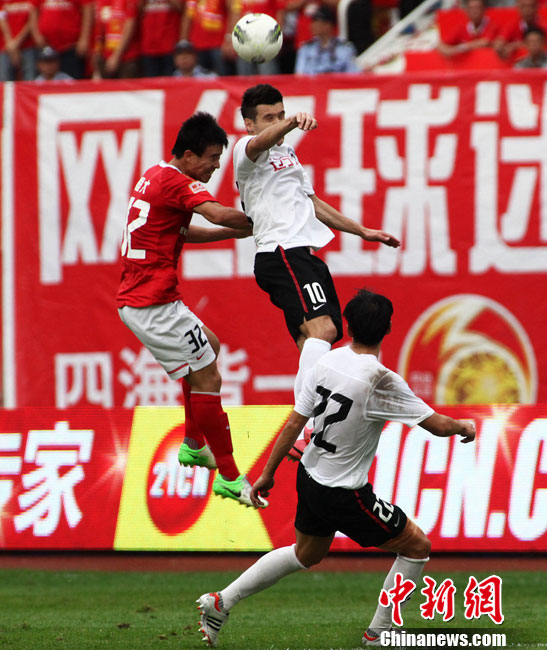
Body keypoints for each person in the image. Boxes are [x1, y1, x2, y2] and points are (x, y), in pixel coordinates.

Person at [196, 288, 476, 648]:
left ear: (349, 326)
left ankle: (221, 602)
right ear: (388, 329)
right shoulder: (380, 380)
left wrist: (267, 473)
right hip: (344, 493)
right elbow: (437, 425)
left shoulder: (327, 362)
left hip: (309, 477)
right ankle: (380, 632)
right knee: (416, 546)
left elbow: (294, 424)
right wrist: (464, 427)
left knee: (305, 554)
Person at [233, 83, 399, 456]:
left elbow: (313, 204)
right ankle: (306, 425)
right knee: (323, 329)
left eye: (280, 113)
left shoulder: (288, 154)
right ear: (249, 124)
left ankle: (308, 437)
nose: (277, 122)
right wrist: (292, 122)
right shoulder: (246, 151)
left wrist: (362, 231)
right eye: (268, 117)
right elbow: (262, 142)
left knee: (316, 340)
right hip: (282, 252)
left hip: (302, 255)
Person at [117, 112, 267, 509]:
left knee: (209, 348)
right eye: (212, 157)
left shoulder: (155, 175)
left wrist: (237, 231)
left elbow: (183, 232)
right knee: (209, 376)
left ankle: (193, 443)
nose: (216, 166)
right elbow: (215, 212)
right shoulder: (177, 182)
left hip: (145, 299)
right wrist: (265, 217)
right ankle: (230, 477)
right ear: (188, 155)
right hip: (154, 304)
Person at [29, 0, 93, 79]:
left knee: (72, 81)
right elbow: (33, 10)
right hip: (46, 46)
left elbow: (87, 9)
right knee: (45, 82)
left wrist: (84, 39)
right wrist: (36, 34)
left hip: (70, 46)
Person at [294, 5, 359, 73]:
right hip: (312, 80)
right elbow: (300, 74)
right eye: (312, 21)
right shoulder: (306, 49)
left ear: (328, 25)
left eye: (317, 21)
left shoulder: (345, 48)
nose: (312, 25)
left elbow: (353, 73)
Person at [140, 0, 183, 77]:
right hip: (149, 46)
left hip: (170, 46)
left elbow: (181, 7)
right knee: (150, 82)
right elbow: (137, 9)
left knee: (170, 81)